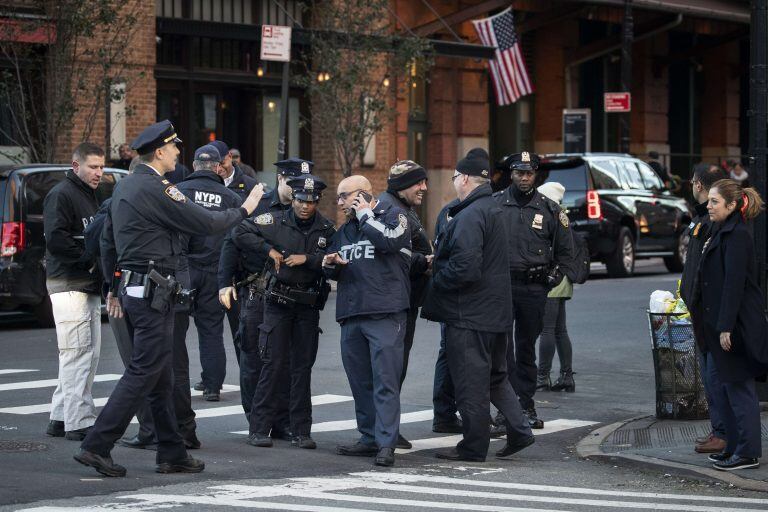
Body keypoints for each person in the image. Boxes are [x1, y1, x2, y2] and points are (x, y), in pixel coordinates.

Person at [74, 120, 265, 478]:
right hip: (152, 292)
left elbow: (109, 241)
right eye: (175, 148)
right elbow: (205, 223)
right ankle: (96, 446)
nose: (179, 153)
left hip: (137, 289)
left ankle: (171, 452)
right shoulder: (158, 188)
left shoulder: (127, 186)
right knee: (144, 370)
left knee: (160, 373)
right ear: (160, 152)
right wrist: (246, 208)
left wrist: (114, 287)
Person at [422, 147, 534, 462]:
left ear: (466, 179)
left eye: (456, 176)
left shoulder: (470, 214)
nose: (454, 181)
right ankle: (520, 431)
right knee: (496, 377)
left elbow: (465, 268)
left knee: (471, 384)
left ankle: (473, 446)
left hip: (469, 315)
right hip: (495, 313)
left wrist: (437, 279)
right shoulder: (492, 207)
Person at [231, 174, 335, 449]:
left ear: (317, 202)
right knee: (272, 365)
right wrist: (269, 251)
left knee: (301, 368)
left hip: (308, 306)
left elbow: (334, 260)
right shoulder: (275, 221)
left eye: (311, 201)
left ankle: (300, 430)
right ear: (294, 198)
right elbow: (239, 232)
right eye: (301, 200)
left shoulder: (326, 228)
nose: (305, 206)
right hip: (278, 303)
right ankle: (259, 428)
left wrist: (309, 259)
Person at [324, 175, 411, 467]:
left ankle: (386, 444)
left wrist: (365, 215)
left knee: (384, 381)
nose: (339, 203)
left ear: (360, 196)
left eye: (343, 197)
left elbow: (389, 241)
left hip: (385, 313)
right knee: (360, 382)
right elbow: (335, 267)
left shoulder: (393, 214)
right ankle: (369, 437)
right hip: (352, 313)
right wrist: (330, 264)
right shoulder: (345, 230)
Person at [218, 158, 309, 437]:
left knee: (285, 362)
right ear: (281, 179)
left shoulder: (303, 210)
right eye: (292, 185)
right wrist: (224, 283)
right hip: (256, 291)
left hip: (288, 295)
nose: (298, 193)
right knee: (254, 359)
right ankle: (256, 419)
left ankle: (281, 422)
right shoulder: (259, 204)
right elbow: (231, 243)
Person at [495, 151, 573, 430]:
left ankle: (525, 405)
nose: (524, 178)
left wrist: (552, 278)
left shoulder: (551, 210)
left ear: (536, 175)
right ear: (511, 174)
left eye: (529, 173)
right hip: (501, 288)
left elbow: (566, 253)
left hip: (532, 288)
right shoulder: (495, 205)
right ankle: (505, 409)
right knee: (501, 350)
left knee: (526, 348)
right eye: (519, 173)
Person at [697, 179, 767, 471]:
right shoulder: (719, 230)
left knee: (738, 389)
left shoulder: (737, 235)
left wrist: (725, 327)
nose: (709, 206)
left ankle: (748, 452)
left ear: (732, 204)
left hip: (734, 326)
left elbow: (734, 285)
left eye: (715, 201)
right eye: (709, 200)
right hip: (716, 325)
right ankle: (734, 447)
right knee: (721, 387)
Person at [43, 142, 105, 441]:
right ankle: (78, 421)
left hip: (83, 284)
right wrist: (89, 262)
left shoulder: (87, 196)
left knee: (82, 354)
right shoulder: (62, 195)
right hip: (70, 284)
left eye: (101, 167)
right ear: (75, 165)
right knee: (78, 354)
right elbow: (56, 239)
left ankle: (59, 417)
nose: (98, 172)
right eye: (93, 167)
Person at [175, 144, 243, 402]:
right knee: (211, 329)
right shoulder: (231, 198)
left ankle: (177, 384)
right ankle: (213, 385)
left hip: (185, 269)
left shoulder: (180, 192)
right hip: (216, 271)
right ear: (217, 167)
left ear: (194, 165)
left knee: (176, 330)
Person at [376, 159, 432, 449]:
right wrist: (426, 261)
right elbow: (392, 256)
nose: (424, 187)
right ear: (400, 186)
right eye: (417, 182)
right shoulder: (392, 210)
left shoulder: (403, 209)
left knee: (396, 368)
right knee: (391, 370)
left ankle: (386, 430)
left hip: (406, 300)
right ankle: (384, 432)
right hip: (396, 303)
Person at [679, 163, 729, 455]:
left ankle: (722, 432)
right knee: (711, 376)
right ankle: (719, 429)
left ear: (697, 183)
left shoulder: (712, 223)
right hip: (702, 310)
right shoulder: (704, 220)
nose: (709, 204)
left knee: (713, 377)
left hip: (708, 313)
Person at [535, 182, 575, 393]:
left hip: (552, 279)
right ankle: (566, 376)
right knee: (560, 330)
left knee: (547, 330)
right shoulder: (563, 216)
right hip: (563, 279)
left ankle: (542, 377)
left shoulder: (550, 216)